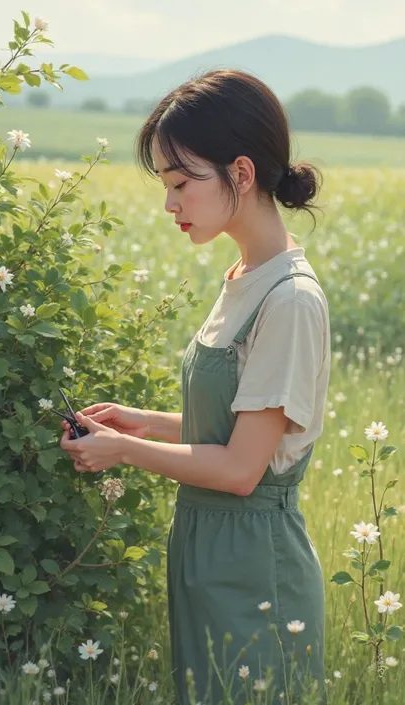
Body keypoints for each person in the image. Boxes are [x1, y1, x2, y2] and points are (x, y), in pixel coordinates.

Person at [60, 69, 331, 705]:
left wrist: (123, 452)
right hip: (207, 552)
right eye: (165, 185)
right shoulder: (245, 277)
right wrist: (144, 423)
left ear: (241, 173)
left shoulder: (289, 299)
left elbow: (242, 469)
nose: (170, 204)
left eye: (181, 183)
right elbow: (240, 432)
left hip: (256, 566)